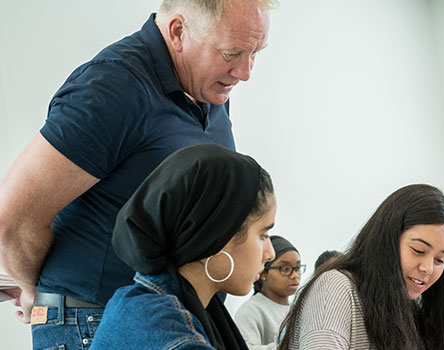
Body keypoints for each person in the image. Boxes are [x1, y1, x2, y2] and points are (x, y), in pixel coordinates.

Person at [0, 0, 275, 347]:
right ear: (178, 32)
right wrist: (31, 289)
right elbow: (12, 217)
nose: (246, 71)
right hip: (92, 321)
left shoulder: (208, 88)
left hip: (175, 318)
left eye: (255, 53)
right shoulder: (113, 86)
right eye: (232, 53)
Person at [90, 144, 276, 349]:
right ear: (215, 235)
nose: (270, 253)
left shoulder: (137, 304)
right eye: (263, 235)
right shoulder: (175, 338)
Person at [278, 184, 444, 350]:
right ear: (386, 240)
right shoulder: (337, 288)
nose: (428, 268)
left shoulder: (412, 311)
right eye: (418, 250)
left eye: (440, 260)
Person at [235, 236, 304, 350]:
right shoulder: (251, 311)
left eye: (297, 268)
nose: (295, 275)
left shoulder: (297, 309)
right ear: (263, 273)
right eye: (285, 269)